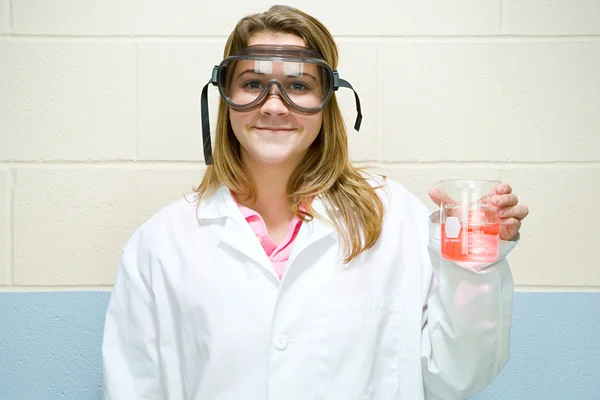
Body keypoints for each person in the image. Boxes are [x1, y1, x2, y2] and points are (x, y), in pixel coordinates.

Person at [101, 5, 530, 400]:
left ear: (328, 101)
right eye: (252, 84)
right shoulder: (161, 244)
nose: (273, 105)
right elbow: (133, 387)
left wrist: (475, 265)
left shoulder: (396, 219)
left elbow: (458, 375)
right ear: (224, 97)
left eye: (298, 86)